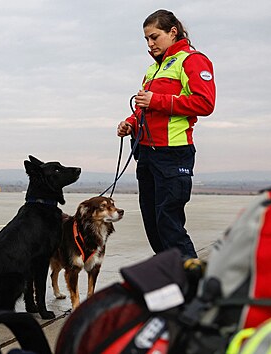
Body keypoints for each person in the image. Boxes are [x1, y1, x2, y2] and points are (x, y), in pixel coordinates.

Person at [116, 9, 215, 259]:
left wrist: (157, 100)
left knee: (169, 225)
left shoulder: (192, 60)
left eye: (154, 37)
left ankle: (194, 284)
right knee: (153, 225)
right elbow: (143, 109)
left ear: (173, 32)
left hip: (173, 155)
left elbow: (205, 103)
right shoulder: (153, 69)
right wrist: (130, 123)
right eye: (146, 39)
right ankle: (173, 281)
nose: (150, 44)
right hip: (146, 155)